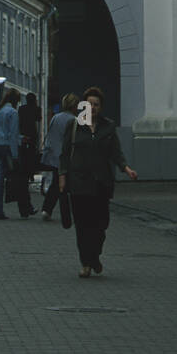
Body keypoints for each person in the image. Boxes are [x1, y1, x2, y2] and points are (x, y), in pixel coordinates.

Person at [59, 86, 137, 275]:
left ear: (101, 107)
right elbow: (64, 153)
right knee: (83, 225)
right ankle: (86, 263)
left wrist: (125, 168)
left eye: (96, 104)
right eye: (89, 104)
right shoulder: (75, 126)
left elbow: (115, 151)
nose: (92, 107)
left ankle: (95, 255)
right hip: (79, 182)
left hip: (101, 183)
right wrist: (62, 176)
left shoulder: (108, 126)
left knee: (101, 224)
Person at [0, 88, 35, 219]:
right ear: (16, 101)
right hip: (8, 149)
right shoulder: (13, 112)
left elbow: (2, 132)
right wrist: (15, 155)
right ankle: (25, 207)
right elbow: (12, 134)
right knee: (19, 177)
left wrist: (21, 138)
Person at [40, 92, 80, 219]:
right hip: (65, 158)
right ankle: (64, 213)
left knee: (56, 184)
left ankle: (47, 209)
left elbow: (50, 137)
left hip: (53, 156)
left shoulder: (56, 118)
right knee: (64, 186)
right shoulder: (74, 120)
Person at [18, 91, 41, 196]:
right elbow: (38, 120)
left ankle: (24, 172)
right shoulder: (37, 109)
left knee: (23, 154)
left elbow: (19, 121)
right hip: (32, 134)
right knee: (32, 154)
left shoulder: (21, 109)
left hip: (23, 133)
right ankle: (31, 173)